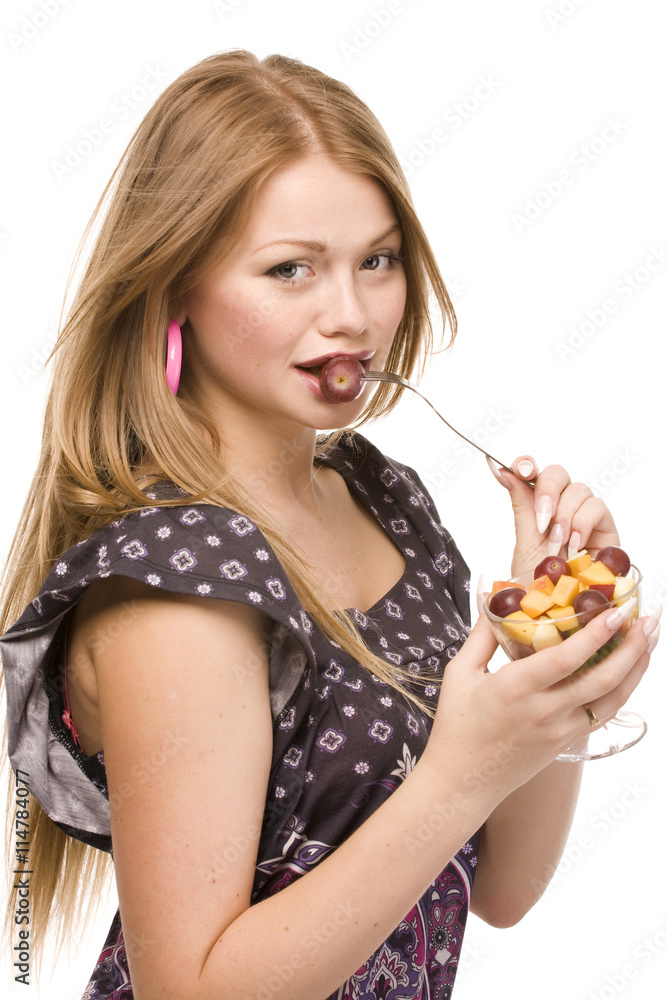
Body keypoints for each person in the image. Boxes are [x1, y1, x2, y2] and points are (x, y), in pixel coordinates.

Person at [0, 49, 658, 1000]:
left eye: (376, 261)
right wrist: (461, 773)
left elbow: (501, 889)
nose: (349, 316)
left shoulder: (384, 502)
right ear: (175, 284)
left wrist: (552, 661)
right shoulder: (180, 586)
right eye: (289, 270)